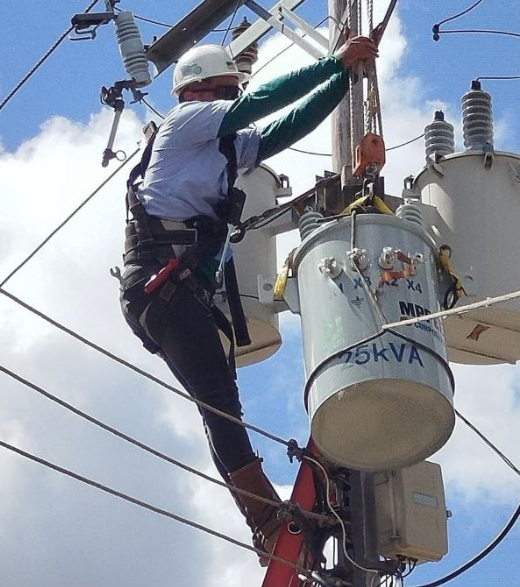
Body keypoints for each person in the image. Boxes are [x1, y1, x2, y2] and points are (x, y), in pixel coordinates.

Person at [118, 36, 379, 563]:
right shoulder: (185, 122)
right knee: (220, 403)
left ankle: (268, 520)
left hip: (173, 290)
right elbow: (258, 106)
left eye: (228, 93)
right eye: (220, 91)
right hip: (161, 283)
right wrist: (333, 61)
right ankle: (263, 520)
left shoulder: (222, 146)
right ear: (195, 91)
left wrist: (343, 81)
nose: (227, 101)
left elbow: (285, 128)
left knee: (220, 403)